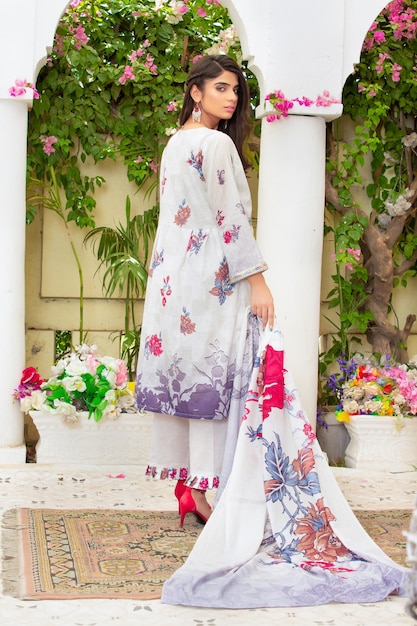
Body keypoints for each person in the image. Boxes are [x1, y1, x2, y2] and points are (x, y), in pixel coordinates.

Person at [135, 55, 274, 526]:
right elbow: (229, 218)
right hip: (214, 279)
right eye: (221, 88)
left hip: (175, 282)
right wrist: (257, 281)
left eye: (235, 89)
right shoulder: (214, 143)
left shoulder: (175, 143)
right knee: (219, 379)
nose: (231, 97)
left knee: (194, 378)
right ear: (195, 92)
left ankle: (193, 492)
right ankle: (205, 490)